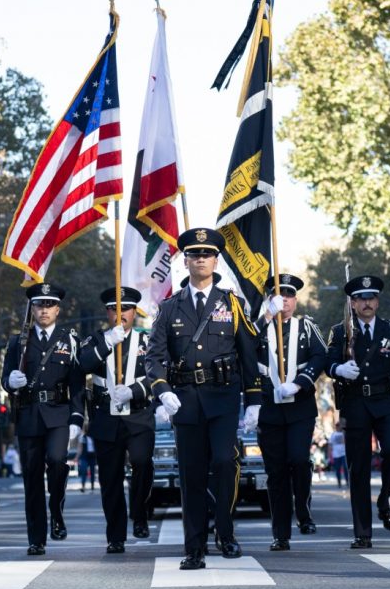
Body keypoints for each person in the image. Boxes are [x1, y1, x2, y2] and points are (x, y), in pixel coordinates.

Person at [145, 227, 263, 570]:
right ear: (185, 260)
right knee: (191, 474)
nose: (200, 259)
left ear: (216, 260)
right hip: (184, 400)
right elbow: (154, 356)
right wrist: (162, 389)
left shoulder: (232, 304)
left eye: (207, 254)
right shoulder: (169, 308)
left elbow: (248, 353)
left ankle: (225, 534)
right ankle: (193, 547)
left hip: (223, 398)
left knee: (225, 464)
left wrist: (254, 398)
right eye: (194, 254)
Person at [325, 274, 390, 549]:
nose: (366, 303)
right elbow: (328, 362)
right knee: (359, 470)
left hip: (386, 403)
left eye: (371, 298)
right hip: (355, 405)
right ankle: (362, 533)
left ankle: (385, 498)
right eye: (360, 299)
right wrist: (338, 369)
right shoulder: (341, 331)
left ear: (377, 301)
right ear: (352, 303)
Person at [1, 284, 84, 556]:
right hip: (28, 415)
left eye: (49, 305)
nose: (44, 310)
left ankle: (56, 512)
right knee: (32, 479)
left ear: (58, 309)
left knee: (58, 461)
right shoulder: (18, 342)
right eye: (39, 305)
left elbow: (77, 383)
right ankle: (36, 538)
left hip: (58, 413)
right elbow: (5, 379)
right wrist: (10, 382)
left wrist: (76, 416)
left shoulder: (69, 339)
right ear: (32, 309)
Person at [77, 286, 156, 553]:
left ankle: (140, 511)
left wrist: (134, 390)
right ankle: (116, 535)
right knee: (110, 479)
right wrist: (108, 343)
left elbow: (158, 371)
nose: (120, 314)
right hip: (106, 417)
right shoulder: (94, 340)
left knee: (143, 462)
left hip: (138, 415)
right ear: (107, 312)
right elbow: (82, 364)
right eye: (114, 309)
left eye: (126, 309)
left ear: (135, 312)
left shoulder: (147, 341)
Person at [255, 273, 327, 551]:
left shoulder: (306, 327)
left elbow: (321, 356)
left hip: (299, 407)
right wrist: (264, 319)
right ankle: (280, 534)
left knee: (298, 459)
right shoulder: (258, 327)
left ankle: (304, 513)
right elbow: (244, 348)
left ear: (295, 300)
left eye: (288, 295)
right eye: (278, 295)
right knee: (276, 472)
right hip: (269, 409)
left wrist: (300, 383)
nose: (283, 300)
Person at [329, 422, 348, 488]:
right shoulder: (333, 434)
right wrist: (330, 455)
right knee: (338, 469)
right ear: (336, 427)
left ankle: (347, 481)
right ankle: (339, 482)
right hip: (336, 454)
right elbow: (330, 444)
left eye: (340, 426)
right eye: (338, 426)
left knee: (346, 468)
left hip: (344, 453)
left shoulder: (344, 434)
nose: (339, 427)